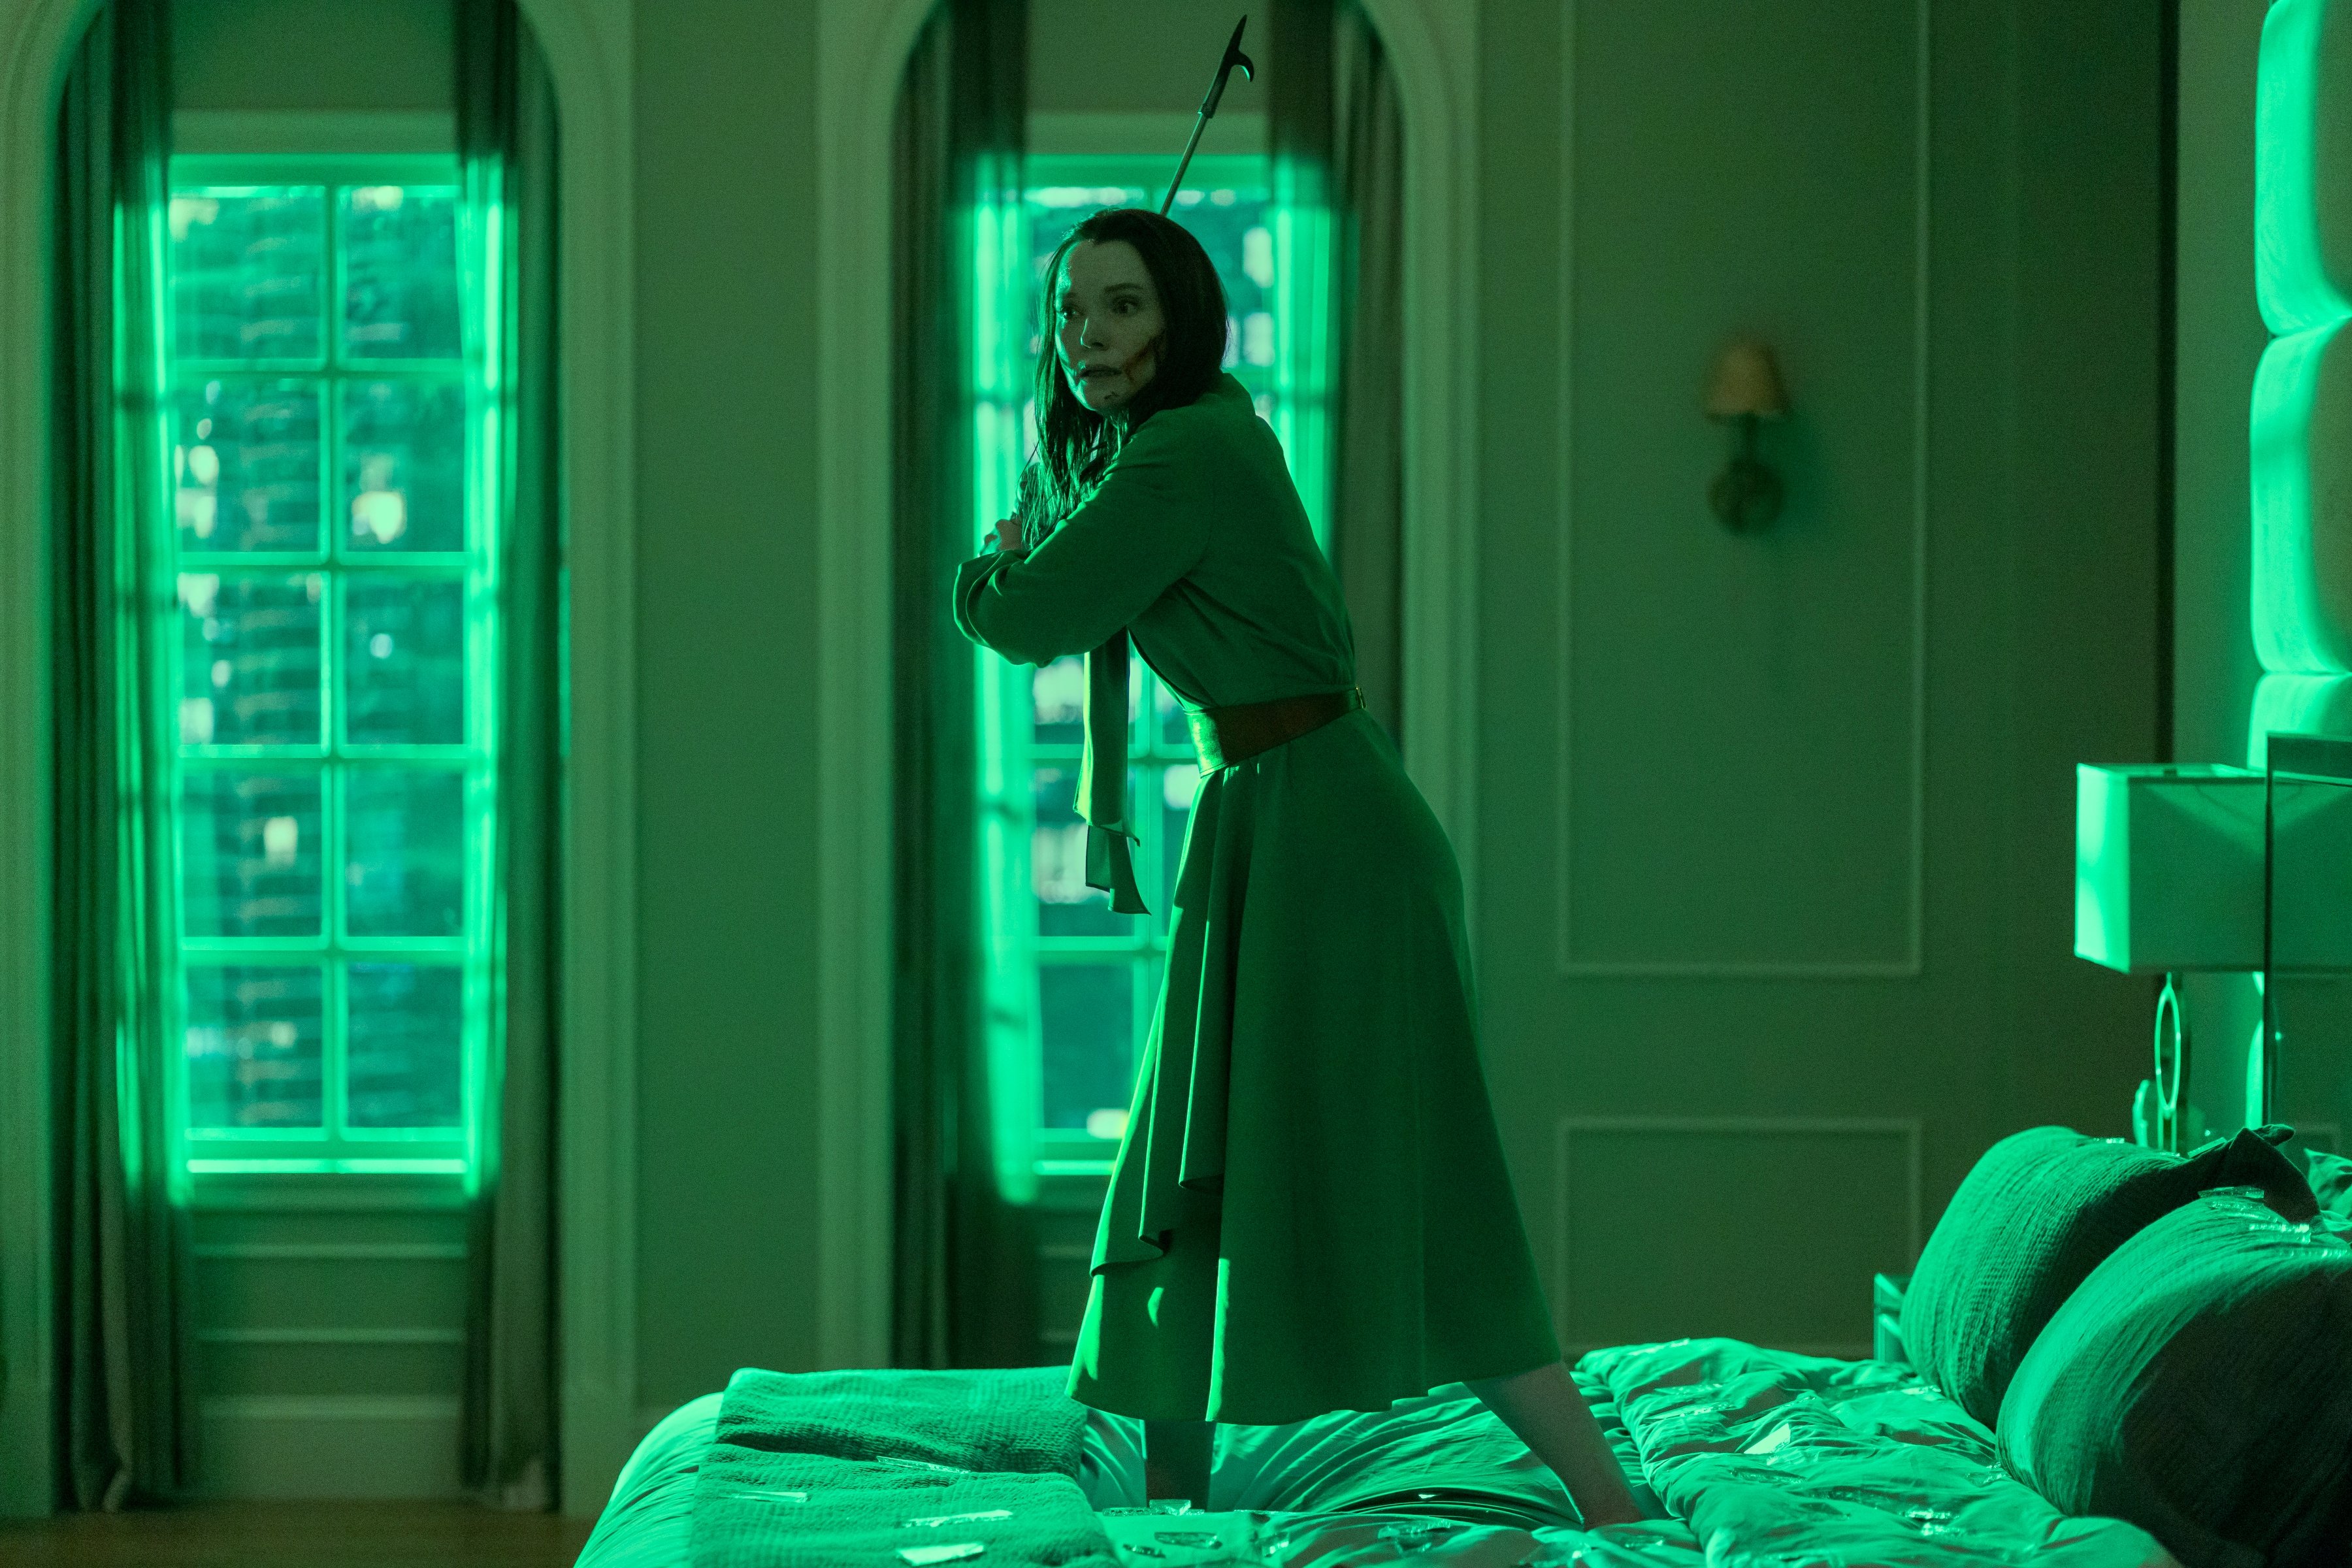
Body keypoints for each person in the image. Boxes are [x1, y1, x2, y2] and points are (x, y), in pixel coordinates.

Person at [951, 207, 1645, 1529]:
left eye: (1123, 306)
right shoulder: (1181, 443)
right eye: (1069, 310)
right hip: (1274, 821)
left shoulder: (1189, 450)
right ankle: (1177, 1518)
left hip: (1328, 839)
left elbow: (1031, 615)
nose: (1087, 334)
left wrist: (996, 557)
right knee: (1185, 1163)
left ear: (1182, 320)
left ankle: (1614, 1506)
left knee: (1419, 1180)